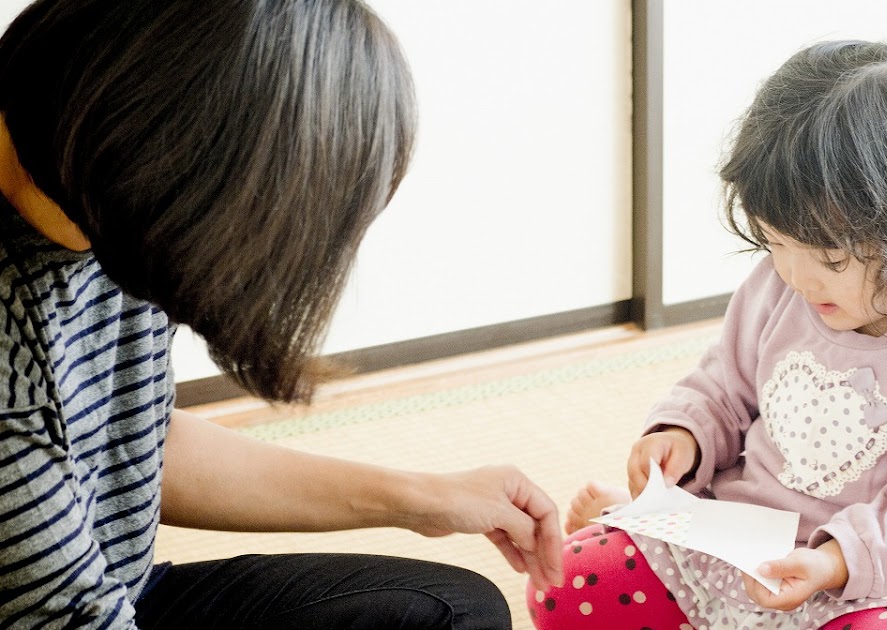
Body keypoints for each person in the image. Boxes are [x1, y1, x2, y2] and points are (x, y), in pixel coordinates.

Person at [0, 0, 562, 628]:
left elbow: (133, 443)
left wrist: (425, 498)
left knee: (452, 614)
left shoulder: (98, 201)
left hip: (105, 581)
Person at [526, 40, 887, 630]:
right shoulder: (781, 284)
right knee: (566, 584)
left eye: (830, 257)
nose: (796, 274)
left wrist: (832, 564)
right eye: (776, 243)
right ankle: (640, 526)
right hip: (743, 534)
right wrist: (684, 437)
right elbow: (725, 386)